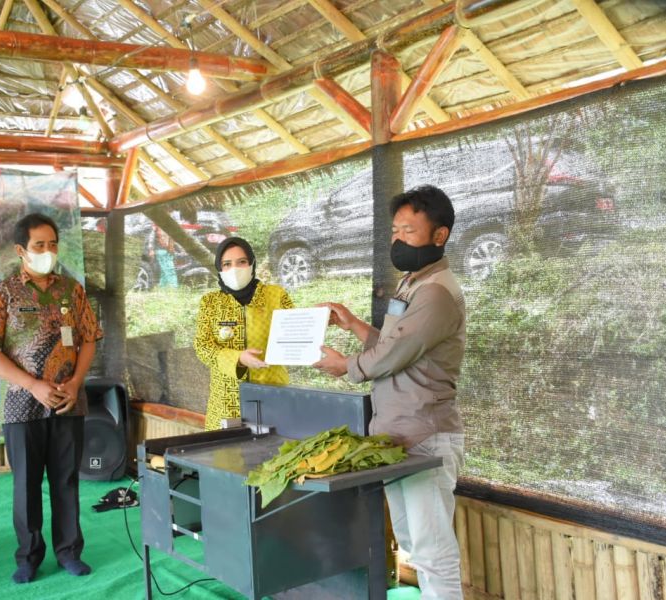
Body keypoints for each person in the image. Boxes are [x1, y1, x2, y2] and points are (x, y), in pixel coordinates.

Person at [313, 185, 466, 599]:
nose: (398, 239)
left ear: (440, 235)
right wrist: (356, 326)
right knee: (414, 544)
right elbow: (394, 344)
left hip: (424, 438)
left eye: (409, 230)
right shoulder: (413, 283)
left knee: (433, 551)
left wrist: (346, 366)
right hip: (397, 437)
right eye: (395, 230)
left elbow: (393, 355)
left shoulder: (436, 293)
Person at [0, 213, 102, 584]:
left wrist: (77, 382)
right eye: (39, 245)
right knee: (26, 485)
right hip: (21, 404)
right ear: (21, 250)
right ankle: (28, 556)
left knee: (66, 480)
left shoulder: (71, 290)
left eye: (52, 244)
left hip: (67, 401)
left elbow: (89, 339)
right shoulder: (2, 293)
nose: (47, 251)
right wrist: (33, 385)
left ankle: (69, 553)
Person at [193, 237, 293, 431]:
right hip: (227, 402)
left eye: (242, 262)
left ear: (251, 264)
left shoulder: (276, 295)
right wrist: (238, 357)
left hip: (271, 394)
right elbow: (203, 347)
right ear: (219, 269)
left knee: (274, 453)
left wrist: (321, 319)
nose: (235, 269)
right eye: (227, 264)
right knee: (227, 457)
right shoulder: (211, 302)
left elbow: (296, 328)